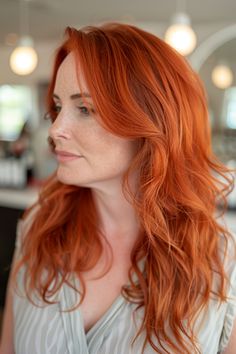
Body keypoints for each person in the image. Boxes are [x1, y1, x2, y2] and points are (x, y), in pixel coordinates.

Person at [0, 22, 236, 354]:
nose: (55, 129)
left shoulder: (222, 262)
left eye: (84, 109)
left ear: (151, 123)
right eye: (57, 107)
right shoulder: (40, 226)